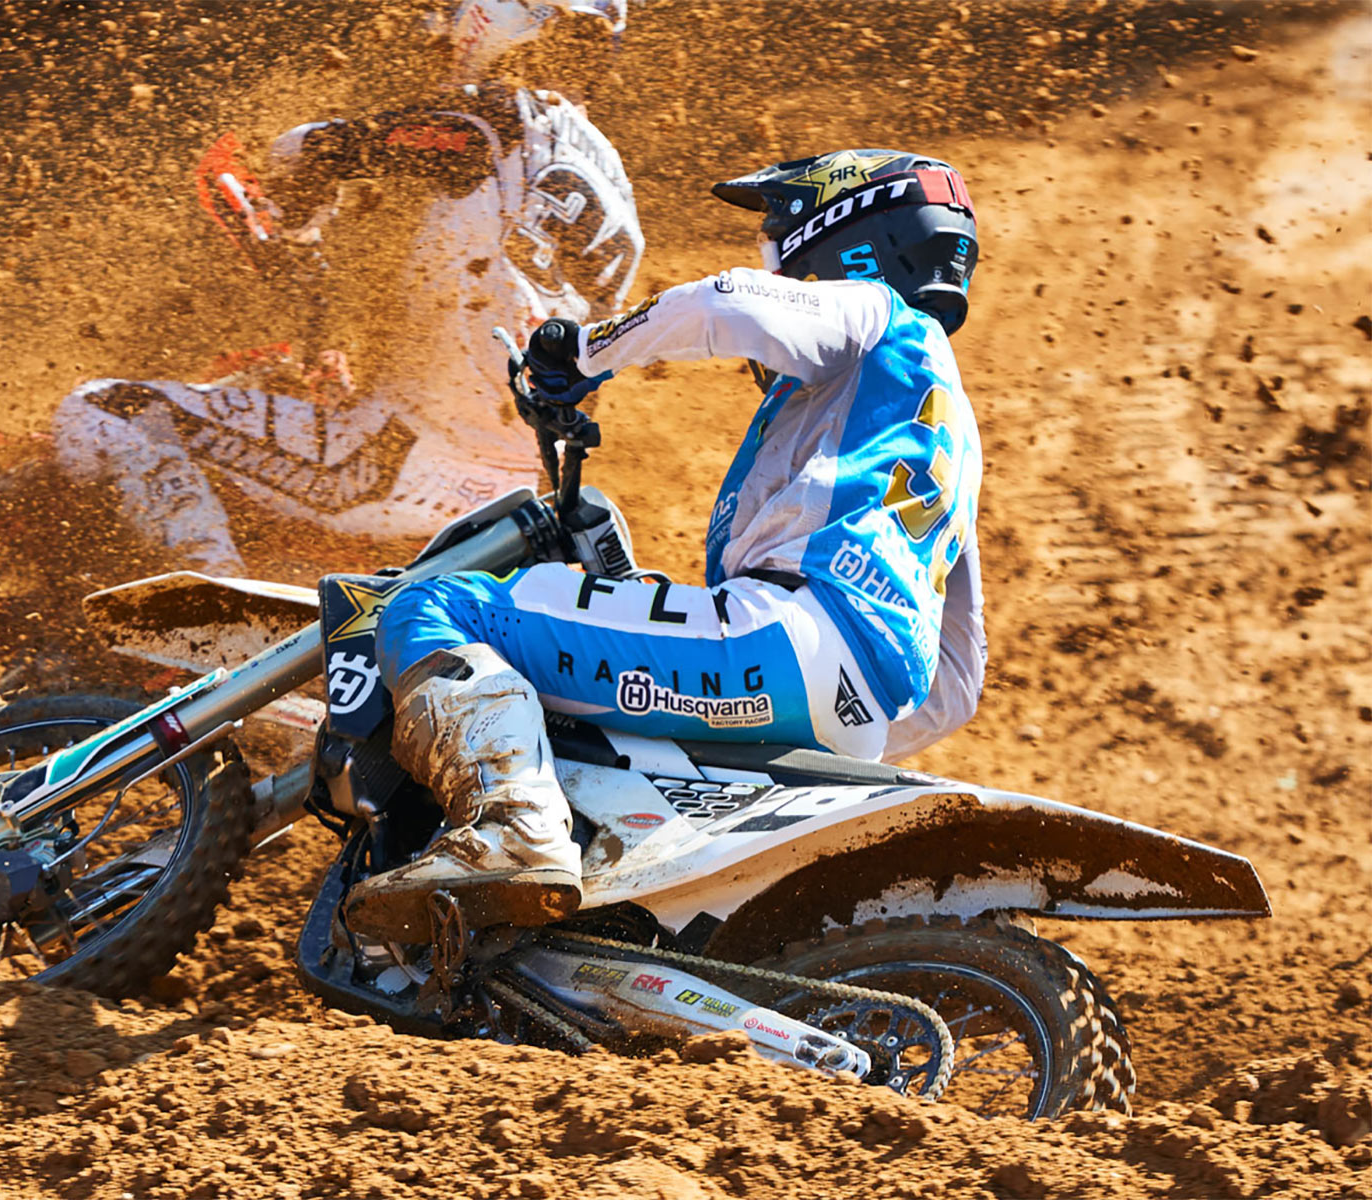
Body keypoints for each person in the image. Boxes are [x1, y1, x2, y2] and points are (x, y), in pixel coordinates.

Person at [345, 149, 987, 942]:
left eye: (778, 235)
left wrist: (581, 354)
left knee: (435, 607)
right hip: (847, 717)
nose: (771, 255)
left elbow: (728, 300)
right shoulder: (944, 436)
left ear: (842, 238)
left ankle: (514, 831)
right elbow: (957, 681)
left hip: (779, 638)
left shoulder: (878, 313)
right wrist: (835, 720)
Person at [53, 0, 642, 575]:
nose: (442, 22)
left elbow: (309, 150)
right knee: (274, 374)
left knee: (104, 410)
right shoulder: (614, 188)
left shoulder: (500, 119)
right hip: (520, 503)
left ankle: (211, 620)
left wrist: (283, 217)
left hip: (389, 468)